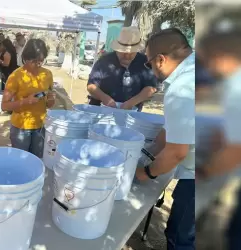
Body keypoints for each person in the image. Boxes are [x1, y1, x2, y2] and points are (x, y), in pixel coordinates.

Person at [134, 28, 195, 250]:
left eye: (148, 63)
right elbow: (172, 129)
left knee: (180, 238)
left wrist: (145, 172)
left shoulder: (182, 87)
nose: (150, 69)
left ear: (160, 59)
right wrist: (147, 153)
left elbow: (177, 152)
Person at [195, 25, 241, 250]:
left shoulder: (236, 89)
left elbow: (235, 151)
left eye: (209, 59)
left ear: (222, 56)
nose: (209, 67)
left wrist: (203, 172)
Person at [1, 39, 56, 158]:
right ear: (25, 58)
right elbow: (4, 106)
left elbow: (49, 104)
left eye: (41, 61)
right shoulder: (15, 76)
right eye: (34, 61)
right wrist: (25, 101)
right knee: (20, 162)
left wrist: (51, 99)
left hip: (40, 126)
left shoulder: (47, 74)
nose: (38, 65)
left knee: (37, 161)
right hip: (21, 128)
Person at [87, 26, 157, 111]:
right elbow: (91, 86)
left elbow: (150, 88)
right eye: (123, 52)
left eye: (131, 53)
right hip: (100, 111)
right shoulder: (104, 61)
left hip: (131, 113)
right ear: (117, 49)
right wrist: (105, 98)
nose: (127, 56)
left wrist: (130, 103)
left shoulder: (145, 62)